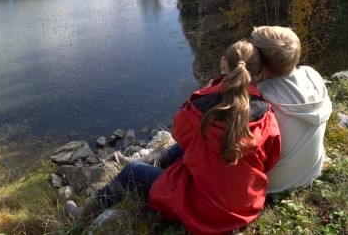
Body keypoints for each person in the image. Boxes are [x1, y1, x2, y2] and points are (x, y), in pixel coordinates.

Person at [65, 39, 281, 234]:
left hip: (205, 210)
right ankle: (153, 160)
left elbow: (179, 134)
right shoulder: (267, 113)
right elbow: (270, 159)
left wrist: (209, 91)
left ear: (223, 63)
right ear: (259, 74)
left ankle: (84, 215)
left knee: (132, 172)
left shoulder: (198, 110)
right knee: (193, 148)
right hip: (246, 206)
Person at [250, 26, 332, 193]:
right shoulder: (312, 75)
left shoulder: (260, 100)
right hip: (310, 172)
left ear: (262, 64)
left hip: (274, 184)